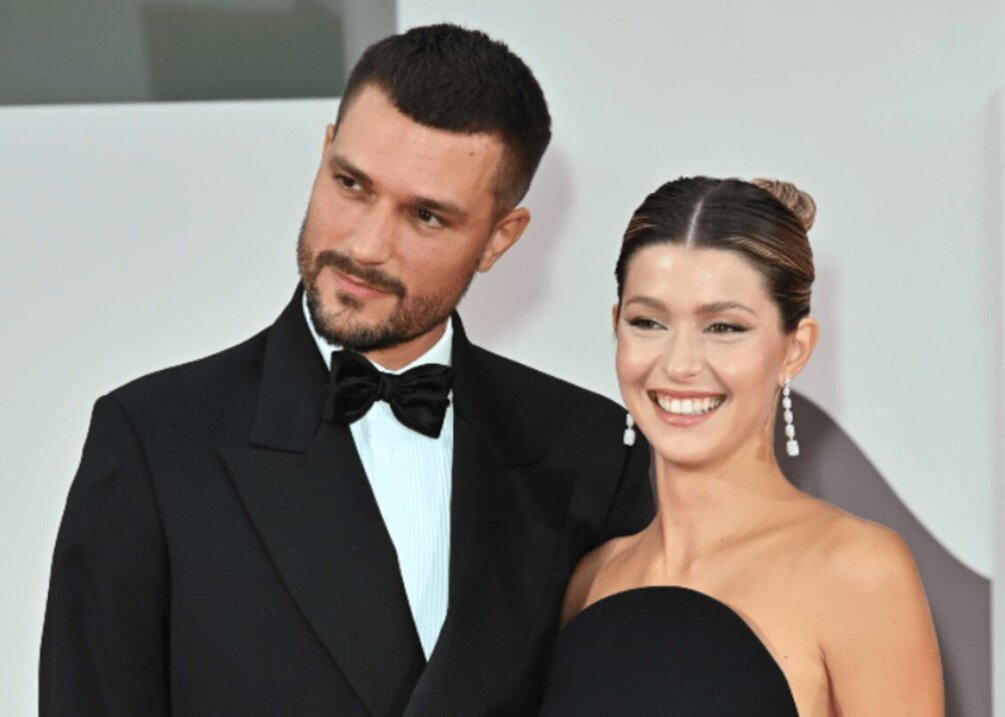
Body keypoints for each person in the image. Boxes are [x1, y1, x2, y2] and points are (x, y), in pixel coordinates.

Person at [40, 24, 653, 717]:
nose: (365, 247)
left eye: (427, 216)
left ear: (499, 238)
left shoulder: (596, 452)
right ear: (324, 151)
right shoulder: (155, 440)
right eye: (352, 184)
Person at [539, 177, 944, 716]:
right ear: (617, 328)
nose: (680, 363)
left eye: (724, 327)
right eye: (648, 322)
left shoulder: (857, 570)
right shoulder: (591, 579)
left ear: (795, 349)